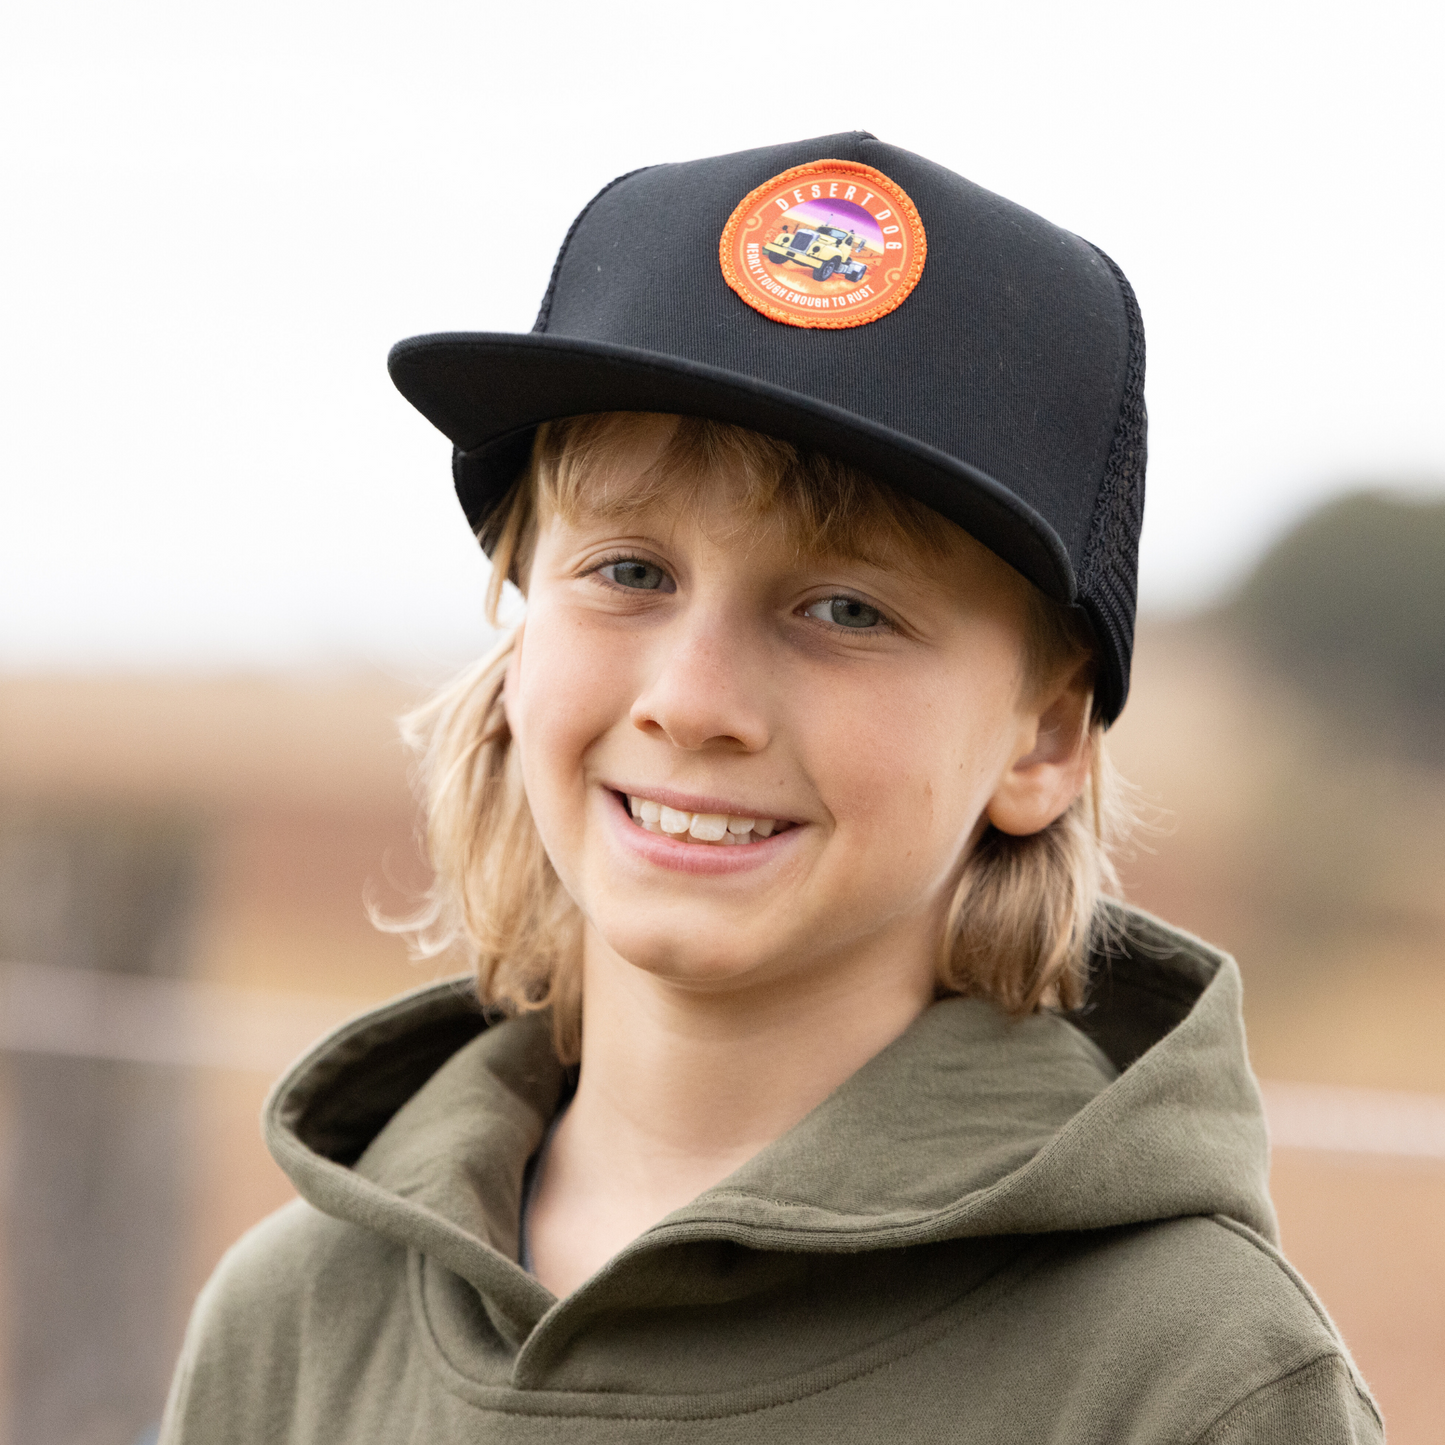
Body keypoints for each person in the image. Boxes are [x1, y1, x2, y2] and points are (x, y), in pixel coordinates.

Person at [160, 134, 1383, 1443]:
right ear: (520, 636)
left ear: (1045, 737)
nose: (691, 699)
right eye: (629, 571)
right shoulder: (292, 1321)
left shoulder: (1194, 1383)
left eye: (844, 607)